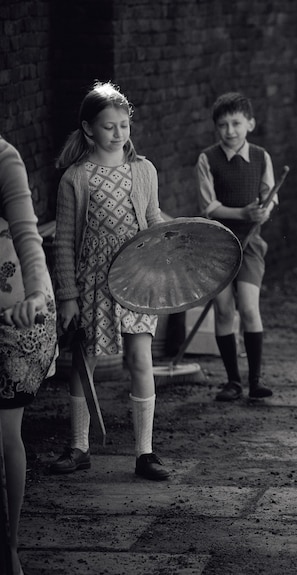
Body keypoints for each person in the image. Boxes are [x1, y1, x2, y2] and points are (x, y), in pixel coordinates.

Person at [50, 81, 169, 480]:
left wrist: (170, 250)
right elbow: (64, 241)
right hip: (93, 282)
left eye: (124, 124)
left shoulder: (144, 170)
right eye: (108, 126)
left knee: (140, 359)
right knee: (84, 363)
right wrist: (67, 296)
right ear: (88, 129)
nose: (118, 133)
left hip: (136, 277)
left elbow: (152, 221)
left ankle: (145, 453)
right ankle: (79, 446)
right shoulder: (75, 178)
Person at [0, 135, 58, 575]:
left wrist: (37, 294)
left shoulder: (4, 157)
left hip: (14, 305)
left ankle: (10, 545)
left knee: (4, 433)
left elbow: (26, 233)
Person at [196, 92, 276, 402]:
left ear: (250, 124)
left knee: (249, 307)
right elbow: (209, 207)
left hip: (250, 243)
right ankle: (232, 381)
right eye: (223, 125)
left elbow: (270, 198)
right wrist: (242, 212)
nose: (230, 131)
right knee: (224, 309)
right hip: (216, 245)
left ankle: (255, 380)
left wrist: (262, 211)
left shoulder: (261, 156)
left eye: (236, 123)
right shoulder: (207, 159)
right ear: (216, 128)